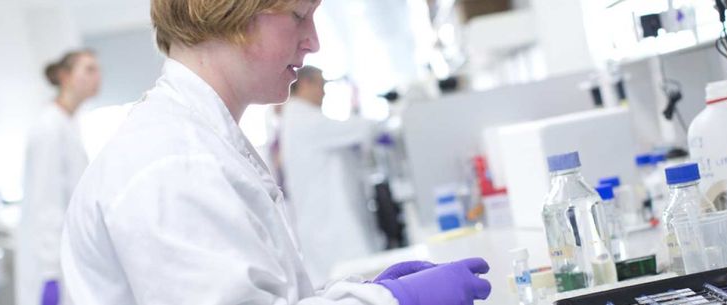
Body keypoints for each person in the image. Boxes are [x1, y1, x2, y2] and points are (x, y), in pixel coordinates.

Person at [59, 0, 491, 304]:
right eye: (300, 15)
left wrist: (363, 290)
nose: (313, 42)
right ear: (231, 11)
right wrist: (389, 301)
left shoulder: (202, 138)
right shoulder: (172, 163)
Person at [280, 66, 380, 286]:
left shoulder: (299, 118)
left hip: (324, 225)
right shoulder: (304, 119)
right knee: (357, 287)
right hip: (332, 229)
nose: (324, 92)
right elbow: (361, 129)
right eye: (321, 85)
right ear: (305, 83)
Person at [17, 49, 100, 305]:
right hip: (49, 267)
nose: (97, 77)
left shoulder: (67, 124)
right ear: (65, 76)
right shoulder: (50, 128)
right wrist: (51, 274)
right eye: (89, 69)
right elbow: (46, 204)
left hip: (67, 258)